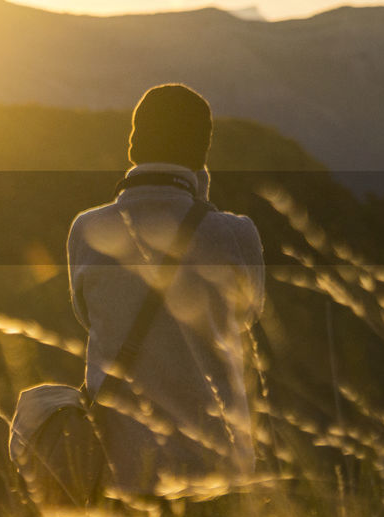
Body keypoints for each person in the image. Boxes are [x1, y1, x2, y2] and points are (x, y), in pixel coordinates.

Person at [67, 83, 265, 496]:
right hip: (217, 470)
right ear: (201, 155)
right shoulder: (235, 233)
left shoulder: (87, 229)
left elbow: (88, 318)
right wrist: (201, 200)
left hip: (119, 471)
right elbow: (244, 318)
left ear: (134, 145)